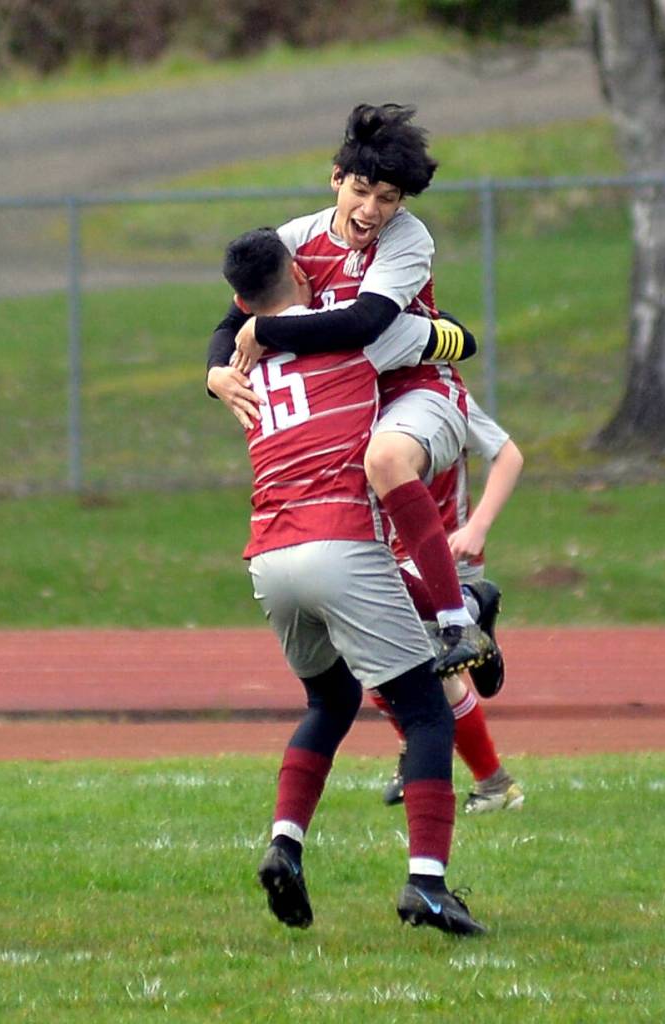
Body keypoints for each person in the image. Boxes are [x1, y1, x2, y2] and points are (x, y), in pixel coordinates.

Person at [221, 226, 487, 936]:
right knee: (428, 711)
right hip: (337, 537)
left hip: (268, 557)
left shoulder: (241, 367)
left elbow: (238, 339)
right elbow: (457, 341)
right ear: (302, 281)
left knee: (330, 699)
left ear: (241, 302)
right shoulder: (356, 336)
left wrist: (228, 349)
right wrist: (433, 327)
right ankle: (427, 885)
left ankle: (285, 845)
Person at [206, 103, 485, 679]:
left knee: (383, 459)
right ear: (337, 178)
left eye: (389, 198)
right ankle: (470, 614)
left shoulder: (406, 239)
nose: (372, 210)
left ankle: (458, 622)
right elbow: (231, 320)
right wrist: (214, 372)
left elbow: (364, 325)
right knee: (350, 567)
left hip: (418, 393)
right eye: (362, 191)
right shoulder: (298, 238)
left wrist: (269, 329)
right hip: (351, 406)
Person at [374, 395, 526, 812]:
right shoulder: (358, 388)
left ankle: (493, 783)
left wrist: (477, 527)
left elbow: (508, 455)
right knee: (372, 660)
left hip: (445, 558)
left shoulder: (440, 394)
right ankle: (420, 748)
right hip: (391, 556)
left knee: (422, 670)